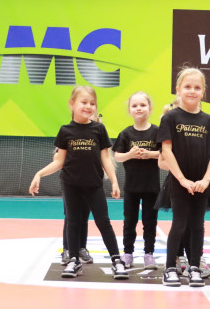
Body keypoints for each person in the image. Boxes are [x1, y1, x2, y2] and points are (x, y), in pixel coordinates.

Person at [30, 86, 129, 280]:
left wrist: (114, 182)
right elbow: (59, 161)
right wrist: (39, 174)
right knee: (73, 222)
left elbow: (106, 159)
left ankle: (117, 260)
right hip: (71, 185)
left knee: (103, 222)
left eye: (92, 103)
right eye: (84, 102)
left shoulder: (98, 129)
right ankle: (73, 260)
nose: (89, 106)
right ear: (72, 104)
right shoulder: (65, 131)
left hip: (94, 184)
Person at [158, 67, 210, 288]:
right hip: (179, 183)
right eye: (187, 87)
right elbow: (167, 150)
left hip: (201, 183)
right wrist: (182, 179)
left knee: (198, 225)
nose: (192, 91)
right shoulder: (170, 118)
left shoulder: (209, 120)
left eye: (197, 87)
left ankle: (194, 266)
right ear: (178, 89)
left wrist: (205, 179)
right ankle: (169, 268)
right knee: (179, 224)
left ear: (204, 91)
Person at [113, 91, 161, 270]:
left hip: (151, 187)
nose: (139, 108)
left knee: (150, 222)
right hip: (131, 187)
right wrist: (130, 154)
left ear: (150, 109)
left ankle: (149, 254)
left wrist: (149, 154)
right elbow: (117, 157)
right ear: (129, 110)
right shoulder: (126, 134)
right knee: (129, 221)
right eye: (135, 105)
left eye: (142, 105)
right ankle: (128, 253)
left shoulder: (157, 132)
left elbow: (165, 154)